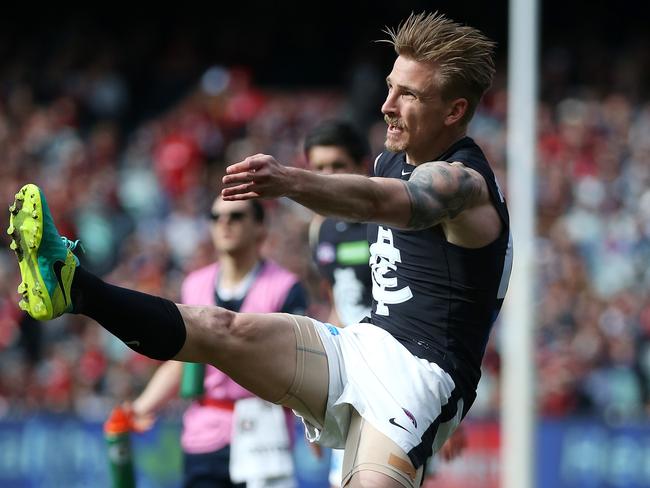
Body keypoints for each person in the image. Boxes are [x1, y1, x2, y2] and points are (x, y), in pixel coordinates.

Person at [9, 12, 511, 488]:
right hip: (363, 344)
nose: (387, 105)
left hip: (419, 376)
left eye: (409, 95)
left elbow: (399, 202)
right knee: (221, 328)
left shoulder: (463, 184)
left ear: (455, 110)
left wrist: (291, 180)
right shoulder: (388, 158)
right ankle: (74, 286)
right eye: (389, 88)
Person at [304, 121, 468, 488]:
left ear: (363, 165)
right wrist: (319, 403)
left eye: (337, 166)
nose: (328, 177)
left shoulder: (394, 220)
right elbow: (338, 308)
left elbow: (435, 310)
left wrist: (452, 408)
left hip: (402, 378)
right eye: (319, 169)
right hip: (352, 378)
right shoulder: (321, 230)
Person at [127, 195, 307, 487]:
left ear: (260, 227)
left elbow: (299, 363)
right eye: (216, 217)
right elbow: (180, 361)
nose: (224, 223)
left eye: (236, 216)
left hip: (265, 432)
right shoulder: (194, 284)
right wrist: (142, 406)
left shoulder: (286, 287)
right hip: (204, 433)